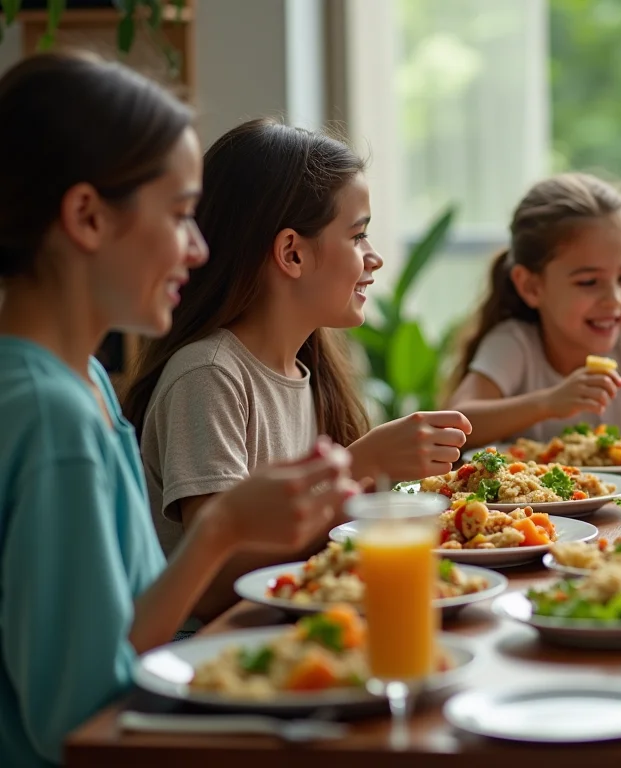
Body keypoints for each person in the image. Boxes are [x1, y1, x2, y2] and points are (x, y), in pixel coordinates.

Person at [0, 54, 358, 767]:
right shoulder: (50, 416)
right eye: (179, 215)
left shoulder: (86, 387)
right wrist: (222, 527)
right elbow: (76, 717)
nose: (197, 249)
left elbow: (133, 625)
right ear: (87, 217)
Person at [121, 118, 471, 617]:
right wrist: (361, 463)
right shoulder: (209, 376)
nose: (374, 260)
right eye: (358, 237)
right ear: (291, 253)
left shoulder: (312, 369)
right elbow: (217, 588)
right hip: (216, 653)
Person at [446, 172, 621, 453]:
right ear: (530, 286)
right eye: (588, 282)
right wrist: (548, 403)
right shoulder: (515, 345)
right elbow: (456, 425)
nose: (614, 300)